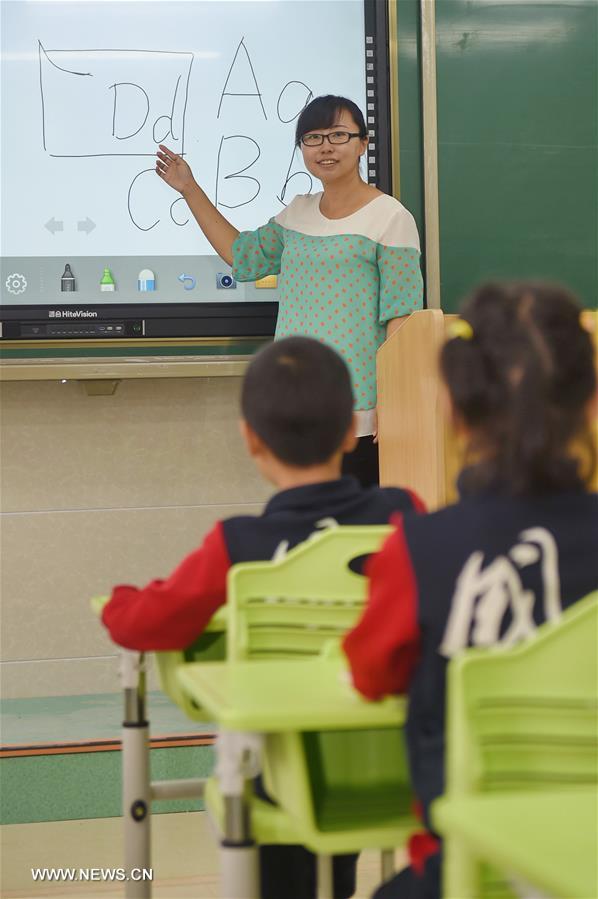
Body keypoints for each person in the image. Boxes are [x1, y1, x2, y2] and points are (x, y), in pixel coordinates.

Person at [101, 335, 424, 899]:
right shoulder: (404, 515)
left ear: (251, 439)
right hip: (396, 765)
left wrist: (121, 599)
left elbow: (146, 624)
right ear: (352, 428)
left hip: (283, 777)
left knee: (263, 770)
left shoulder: (239, 544)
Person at [342, 281, 598, 899]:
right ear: (591, 403)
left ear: (454, 411)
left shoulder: (419, 550)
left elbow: (370, 672)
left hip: (467, 872)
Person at [155, 95, 424, 487]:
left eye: (339, 135)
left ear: (363, 143)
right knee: (305, 526)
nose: (326, 147)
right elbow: (242, 256)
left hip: (361, 412)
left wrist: (393, 401)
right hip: (297, 404)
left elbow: (402, 316)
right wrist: (190, 189)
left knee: (356, 529)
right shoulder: (296, 212)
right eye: (313, 138)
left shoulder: (390, 217)